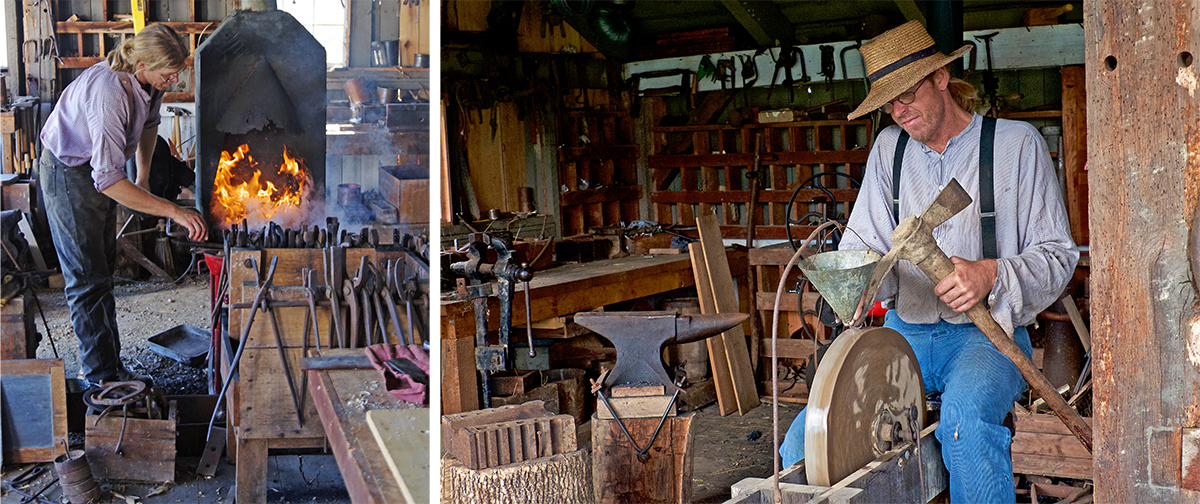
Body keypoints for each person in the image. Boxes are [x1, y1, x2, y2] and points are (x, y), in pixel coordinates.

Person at [779, 20, 1078, 503]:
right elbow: (863, 245)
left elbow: (1058, 256)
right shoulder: (889, 150)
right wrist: (856, 284)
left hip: (988, 335)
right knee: (807, 437)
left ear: (941, 77)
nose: (899, 112)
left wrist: (991, 273)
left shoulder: (1016, 145)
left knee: (964, 424)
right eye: (888, 104)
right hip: (904, 333)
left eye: (906, 95)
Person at [38, 23, 208, 387]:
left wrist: (142, 176)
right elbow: (108, 180)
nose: (174, 81)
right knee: (86, 277)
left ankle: (108, 365)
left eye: (177, 73)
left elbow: (149, 126)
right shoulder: (109, 94)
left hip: (96, 168)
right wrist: (173, 209)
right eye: (169, 75)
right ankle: (102, 378)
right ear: (142, 64)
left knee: (102, 267)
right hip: (68, 171)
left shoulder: (149, 83)